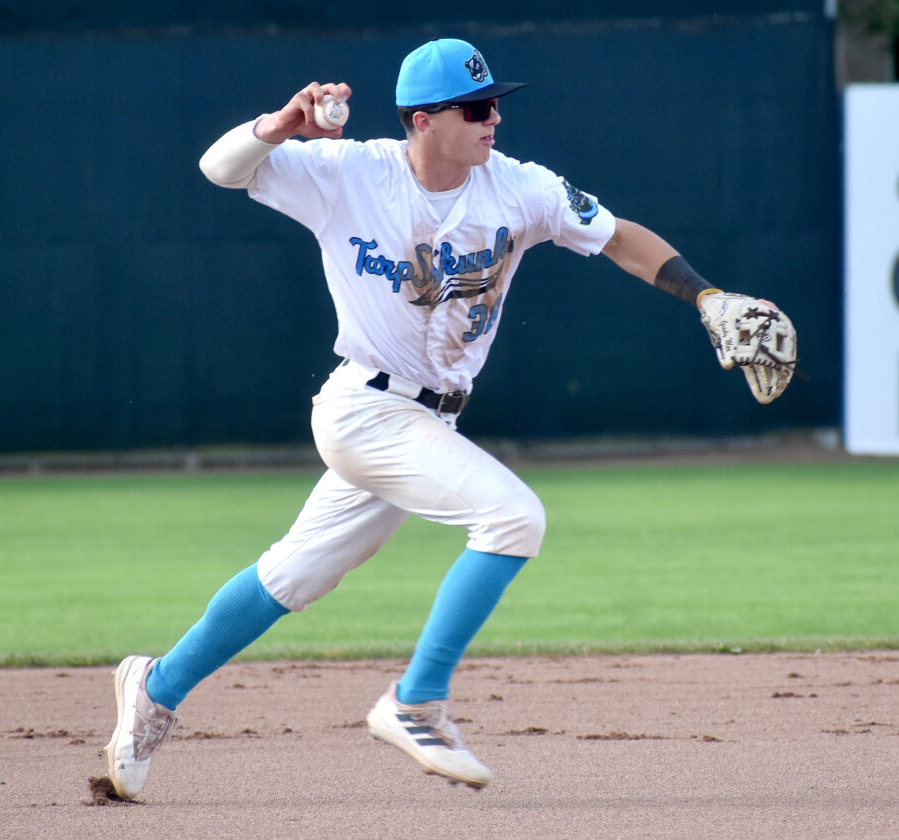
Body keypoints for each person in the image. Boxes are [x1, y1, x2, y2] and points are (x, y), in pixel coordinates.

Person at [105, 37, 774, 798]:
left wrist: (707, 295)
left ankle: (156, 688)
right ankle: (416, 702)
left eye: (496, 105)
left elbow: (617, 237)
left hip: (428, 423)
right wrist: (281, 125)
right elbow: (218, 169)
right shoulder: (349, 172)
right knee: (513, 518)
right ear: (423, 120)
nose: (495, 119)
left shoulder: (520, 187)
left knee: (292, 575)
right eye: (477, 108)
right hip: (364, 408)